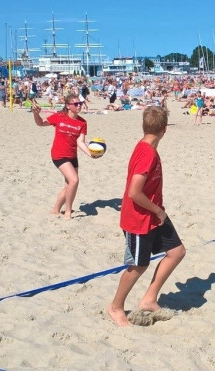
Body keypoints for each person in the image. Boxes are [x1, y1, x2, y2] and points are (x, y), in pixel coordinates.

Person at [109, 106, 185, 326]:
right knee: (138, 266)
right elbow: (134, 192)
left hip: (153, 214)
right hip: (139, 218)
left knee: (177, 252)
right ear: (165, 129)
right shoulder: (147, 154)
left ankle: (149, 298)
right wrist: (158, 210)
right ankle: (115, 307)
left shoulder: (147, 146)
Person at [31, 95, 98, 219]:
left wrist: (91, 154)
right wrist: (36, 114)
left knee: (69, 185)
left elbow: (80, 142)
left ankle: (55, 210)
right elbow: (40, 123)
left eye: (80, 103)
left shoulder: (82, 122)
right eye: (76, 104)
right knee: (74, 180)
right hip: (59, 154)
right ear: (68, 106)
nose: (79, 106)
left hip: (72, 155)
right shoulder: (59, 117)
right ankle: (68, 210)